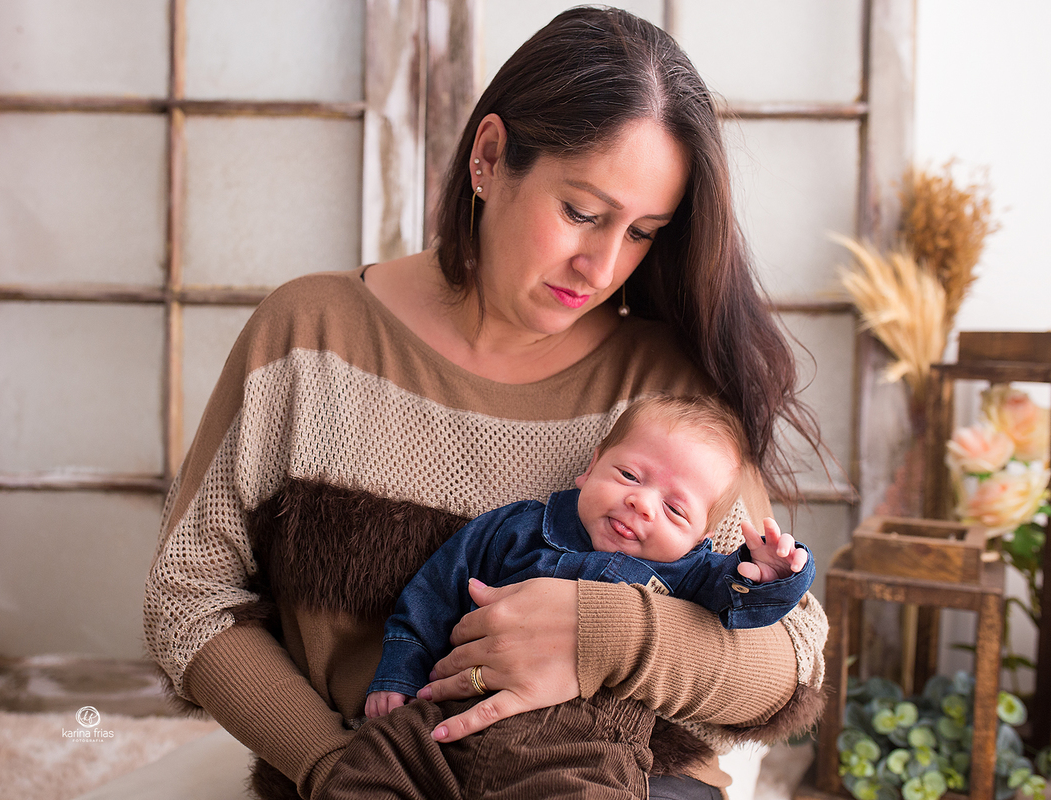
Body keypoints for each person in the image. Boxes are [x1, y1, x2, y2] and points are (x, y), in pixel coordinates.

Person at [143, 8, 828, 800]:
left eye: (643, 232)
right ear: (491, 157)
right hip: (383, 772)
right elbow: (189, 596)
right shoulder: (311, 338)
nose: (602, 265)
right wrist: (333, 765)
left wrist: (607, 636)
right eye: (581, 212)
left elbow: (792, 662)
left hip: (626, 781)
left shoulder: (669, 393)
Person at [324, 395, 815, 798]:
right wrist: (400, 668)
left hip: (580, 747)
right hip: (446, 713)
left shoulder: (691, 575)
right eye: (629, 476)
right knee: (365, 770)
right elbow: (434, 591)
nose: (641, 503)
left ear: (701, 538)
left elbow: (740, 611)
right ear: (591, 467)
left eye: (674, 509)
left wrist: (771, 578)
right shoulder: (517, 528)